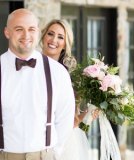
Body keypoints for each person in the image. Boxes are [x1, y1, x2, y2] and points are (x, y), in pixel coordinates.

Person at [0, 9, 75, 160]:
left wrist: (50, 154)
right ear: (7, 32)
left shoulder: (58, 73)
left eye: (31, 29)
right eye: (19, 29)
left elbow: (65, 120)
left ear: (37, 32)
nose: (26, 35)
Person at [40, 19, 91, 160]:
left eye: (60, 37)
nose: (54, 40)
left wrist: (90, 111)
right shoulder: (30, 65)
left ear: (65, 44)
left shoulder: (71, 75)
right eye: (50, 34)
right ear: (43, 36)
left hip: (64, 142)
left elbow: (74, 119)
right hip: (34, 138)